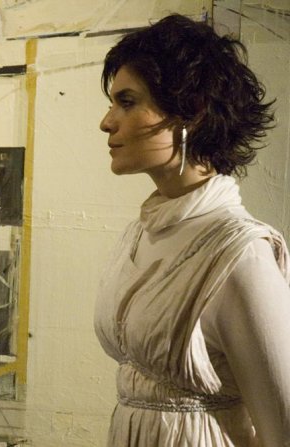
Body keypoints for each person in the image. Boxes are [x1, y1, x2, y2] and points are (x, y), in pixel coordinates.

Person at [94, 14, 290, 446]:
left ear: (192, 113)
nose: (107, 122)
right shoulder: (138, 235)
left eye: (127, 102)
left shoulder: (239, 254)